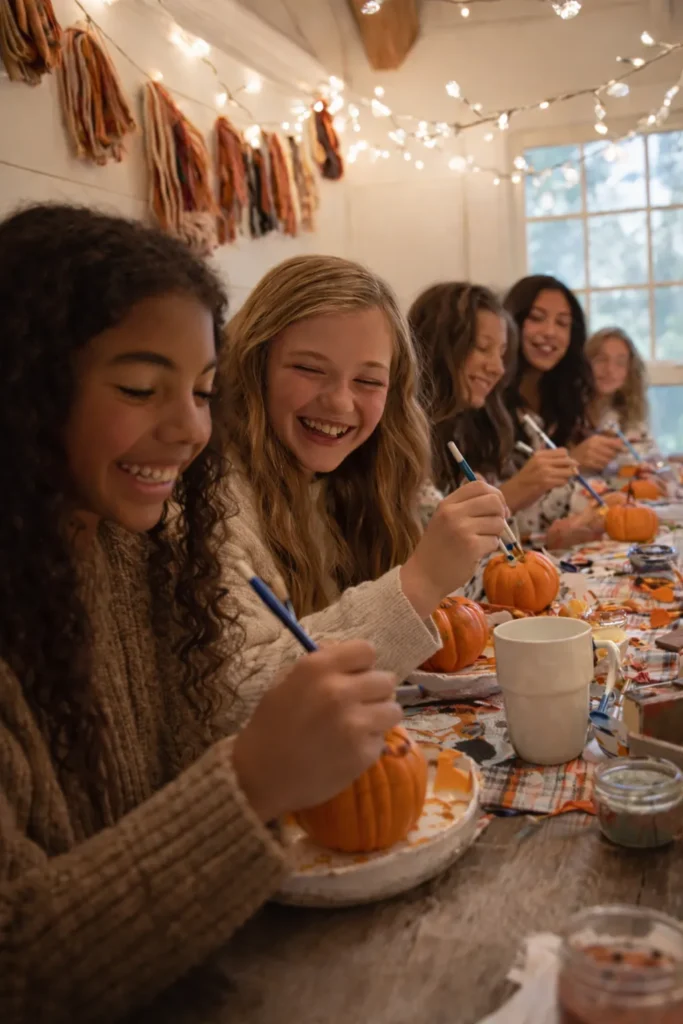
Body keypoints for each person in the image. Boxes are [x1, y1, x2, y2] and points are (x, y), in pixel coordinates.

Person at [0, 204, 405, 1024]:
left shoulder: (137, 547)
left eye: (201, 391)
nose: (189, 427)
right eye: (141, 388)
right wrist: (251, 779)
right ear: (25, 384)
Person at [218, 256, 508, 685]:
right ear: (253, 366)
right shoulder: (215, 504)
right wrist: (419, 582)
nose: (339, 402)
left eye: (368, 381)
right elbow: (238, 695)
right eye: (309, 369)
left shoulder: (367, 476)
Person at [409, 281, 610, 552]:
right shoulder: (408, 441)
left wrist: (550, 537)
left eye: (502, 353)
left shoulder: (473, 424)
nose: (497, 368)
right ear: (438, 347)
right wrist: (516, 492)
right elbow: (434, 547)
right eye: (482, 348)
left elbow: (508, 542)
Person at [504, 275, 623, 475]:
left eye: (562, 323)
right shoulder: (490, 400)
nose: (550, 332)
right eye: (536, 318)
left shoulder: (566, 396)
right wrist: (571, 460)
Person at [585, 325, 652, 444]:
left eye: (620, 363)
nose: (610, 369)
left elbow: (648, 456)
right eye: (601, 360)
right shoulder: (567, 415)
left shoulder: (633, 421)